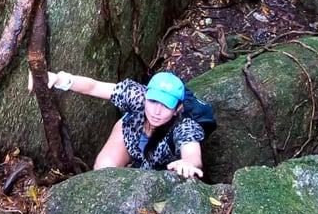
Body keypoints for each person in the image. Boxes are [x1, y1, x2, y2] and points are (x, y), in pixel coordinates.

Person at [35, 70, 204, 179]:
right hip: (130, 133)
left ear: (177, 109)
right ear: (146, 95)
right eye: (153, 101)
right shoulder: (136, 95)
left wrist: (188, 163)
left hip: (157, 159)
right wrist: (61, 79)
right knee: (104, 170)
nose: (156, 111)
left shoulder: (184, 126)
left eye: (166, 105)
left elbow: (192, 153)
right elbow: (95, 87)